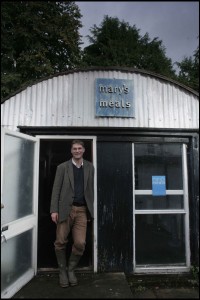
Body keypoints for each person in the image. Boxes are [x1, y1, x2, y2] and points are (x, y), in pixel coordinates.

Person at [50, 140, 94, 288]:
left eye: (79, 148)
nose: (77, 151)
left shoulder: (89, 167)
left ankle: (71, 270)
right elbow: (56, 189)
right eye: (74, 148)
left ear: (83, 150)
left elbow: (90, 190)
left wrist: (90, 209)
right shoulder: (62, 167)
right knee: (60, 242)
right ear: (71, 151)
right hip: (65, 210)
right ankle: (62, 271)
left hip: (82, 210)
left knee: (80, 243)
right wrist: (54, 210)